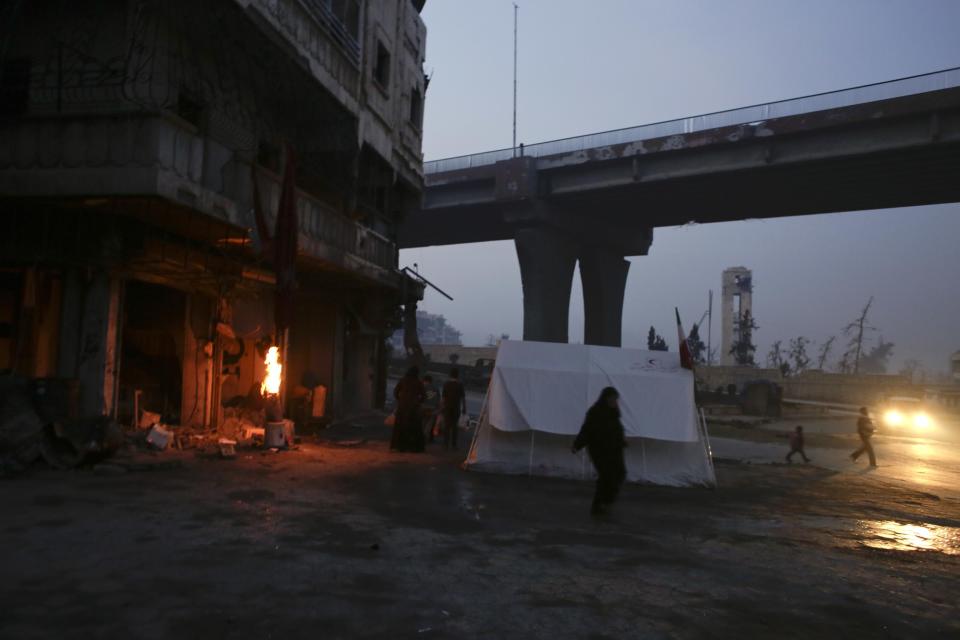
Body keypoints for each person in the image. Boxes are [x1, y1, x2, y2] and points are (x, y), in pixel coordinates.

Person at [572, 387, 627, 517]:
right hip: (599, 450)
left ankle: (607, 500)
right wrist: (577, 445)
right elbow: (587, 430)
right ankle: (598, 505)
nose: (614, 402)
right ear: (606, 398)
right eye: (612, 399)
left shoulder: (614, 412)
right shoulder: (595, 412)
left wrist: (622, 440)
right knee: (606, 476)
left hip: (614, 450)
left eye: (616, 399)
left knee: (620, 473)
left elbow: (617, 428)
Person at [392, 366, 426, 452]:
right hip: (413, 408)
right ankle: (413, 447)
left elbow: (395, 392)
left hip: (402, 406)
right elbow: (424, 396)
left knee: (401, 426)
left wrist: (400, 400)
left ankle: (399, 446)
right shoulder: (418, 382)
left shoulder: (403, 380)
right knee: (414, 428)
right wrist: (418, 402)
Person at [441, 368, 467, 450]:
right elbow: (463, 398)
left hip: (447, 407)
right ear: (458, 376)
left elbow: (443, 397)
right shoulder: (460, 385)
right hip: (456, 407)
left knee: (447, 426)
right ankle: (454, 445)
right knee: (454, 427)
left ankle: (445, 444)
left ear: (450, 375)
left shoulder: (446, 384)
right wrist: (464, 408)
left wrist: (441, 407)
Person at [421, 374, 440, 443]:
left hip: (423, 408)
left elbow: (420, 398)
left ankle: (420, 436)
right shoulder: (436, 388)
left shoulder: (423, 387)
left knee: (422, 422)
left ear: (424, 380)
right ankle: (425, 436)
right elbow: (438, 400)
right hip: (433, 409)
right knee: (429, 424)